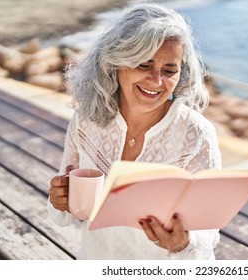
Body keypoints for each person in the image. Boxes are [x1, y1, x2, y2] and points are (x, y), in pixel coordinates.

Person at [47, 3, 222, 260]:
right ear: (116, 62)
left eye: (169, 70)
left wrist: (184, 243)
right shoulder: (86, 120)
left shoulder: (196, 133)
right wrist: (60, 200)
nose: (157, 81)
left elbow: (208, 230)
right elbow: (70, 213)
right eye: (143, 65)